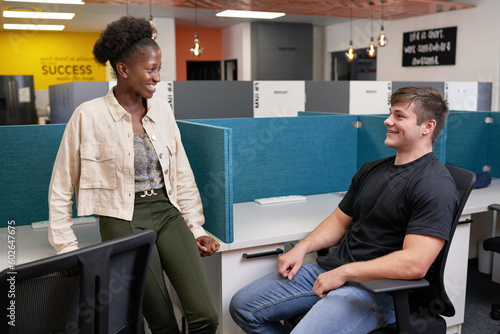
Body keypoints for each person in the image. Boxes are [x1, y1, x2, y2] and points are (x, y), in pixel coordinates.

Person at [229, 85, 459, 333]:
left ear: (428, 127)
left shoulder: (434, 185)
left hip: (378, 289)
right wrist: (302, 248)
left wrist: (346, 272)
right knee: (243, 307)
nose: (387, 121)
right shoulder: (372, 169)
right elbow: (339, 221)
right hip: (333, 268)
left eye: (399, 116)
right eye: (390, 113)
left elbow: (415, 264)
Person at [48, 16, 219, 334]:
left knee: (206, 316)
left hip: (167, 213)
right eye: (151, 69)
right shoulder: (88, 116)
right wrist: (66, 247)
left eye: (159, 69)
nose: (157, 77)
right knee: (162, 323)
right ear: (124, 70)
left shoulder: (162, 110)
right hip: (121, 217)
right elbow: (61, 184)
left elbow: (181, 171)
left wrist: (196, 228)